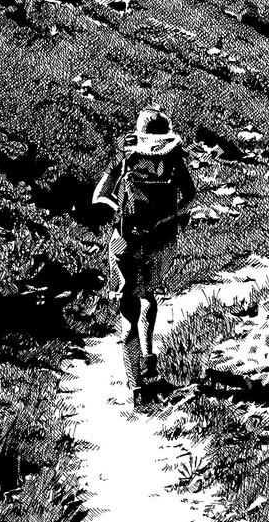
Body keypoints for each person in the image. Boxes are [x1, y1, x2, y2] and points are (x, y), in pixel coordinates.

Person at [92, 106, 196, 405]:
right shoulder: (174, 157)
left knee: (128, 308)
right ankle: (149, 360)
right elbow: (190, 197)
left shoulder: (125, 154)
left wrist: (121, 212)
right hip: (161, 241)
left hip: (124, 240)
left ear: (139, 131)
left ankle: (135, 387)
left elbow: (99, 196)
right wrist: (169, 218)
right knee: (148, 294)